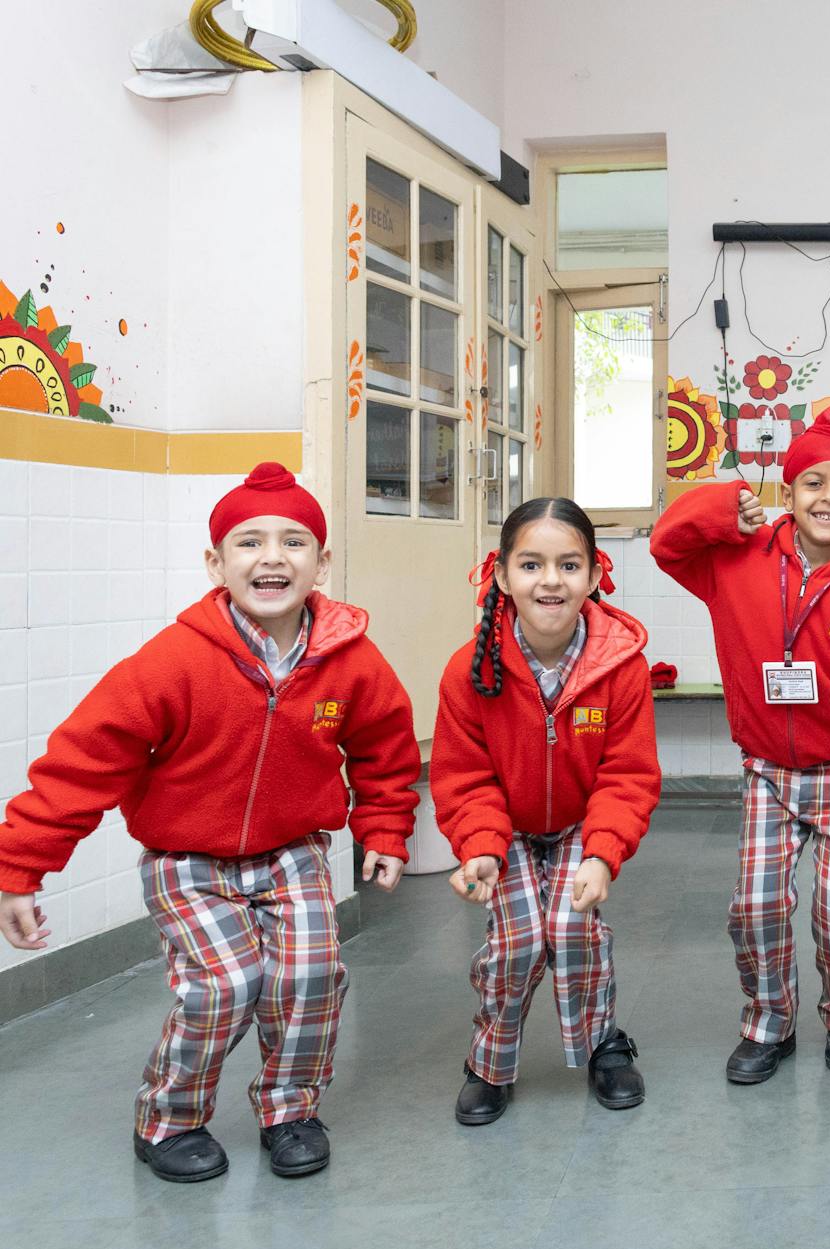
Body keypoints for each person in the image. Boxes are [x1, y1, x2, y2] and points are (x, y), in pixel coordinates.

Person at [0, 462, 419, 1181]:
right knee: (224, 984)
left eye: (293, 541)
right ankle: (169, 1117)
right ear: (216, 562)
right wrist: (20, 867)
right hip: (187, 858)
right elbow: (85, 760)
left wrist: (383, 830)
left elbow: (385, 748)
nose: (272, 558)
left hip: (294, 851)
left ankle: (290, 1108)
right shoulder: (174, 661)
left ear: (322, 560)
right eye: (249, 542)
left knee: (311, 974)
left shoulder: (351, 659)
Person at [650, 405, 830, 1083]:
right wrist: (723, 508)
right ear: (786, 491)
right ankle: (768, 1018)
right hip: (767, 772)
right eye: (813, 483)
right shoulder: (736, 560)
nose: (829, 498)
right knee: (755, 903)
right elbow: (667, 543)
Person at [432, 497, 660, 1125]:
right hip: (502, 829)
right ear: (501, 575)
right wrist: (478, 845)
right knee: (517, 942)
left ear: (594, 575)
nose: (551, 580)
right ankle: (491, 1060)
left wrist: (602, 853)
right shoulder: (469, 671)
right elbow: (465, 775)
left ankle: (603, 1044)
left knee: (571, 928)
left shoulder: (621, 667)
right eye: (531, 565)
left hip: (582, 831)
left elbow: (628, 773)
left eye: (569, 564)